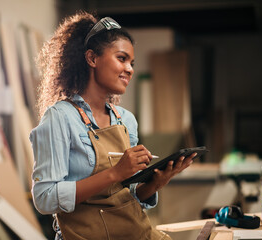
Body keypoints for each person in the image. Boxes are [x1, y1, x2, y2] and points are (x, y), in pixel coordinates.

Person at [30, 11, 196, 240]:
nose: (130, 69)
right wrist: (114, 172)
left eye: (132, 63)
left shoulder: (126, 120)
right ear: (92, 59)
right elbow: (45, 198)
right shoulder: (60, 117)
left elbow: (124, 196)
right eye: (122, 58)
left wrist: (155, 184)